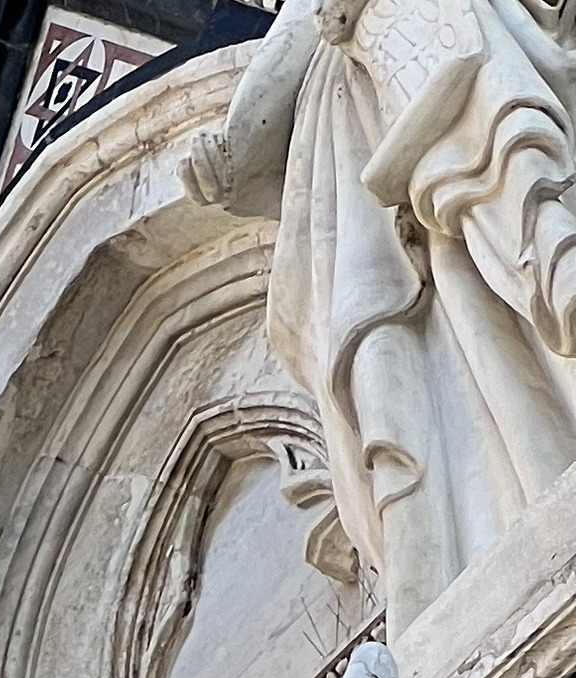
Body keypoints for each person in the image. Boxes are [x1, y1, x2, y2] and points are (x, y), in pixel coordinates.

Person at [190, 0, 576, 634]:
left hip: (455, 105)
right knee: (390, 365)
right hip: (371, 185)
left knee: (513, 210)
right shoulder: (320, 47)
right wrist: (225, 157)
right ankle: (442, 590)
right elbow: (286, 59)